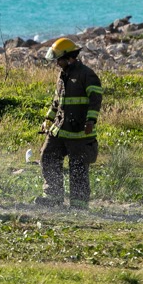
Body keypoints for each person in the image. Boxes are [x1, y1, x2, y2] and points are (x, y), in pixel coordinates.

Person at [37, 37, 103, 209]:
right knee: (48, 156)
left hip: (80, 133)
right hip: (60, 129)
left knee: (78, 166)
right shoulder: (63, 74)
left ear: (69, 57)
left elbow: (95, 99)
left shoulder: (87, 75)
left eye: (58, 59)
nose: (57, 63)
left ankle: (79, 204)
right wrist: (48, 119)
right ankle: (53, 197)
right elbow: (57, 101)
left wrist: (91, 121)